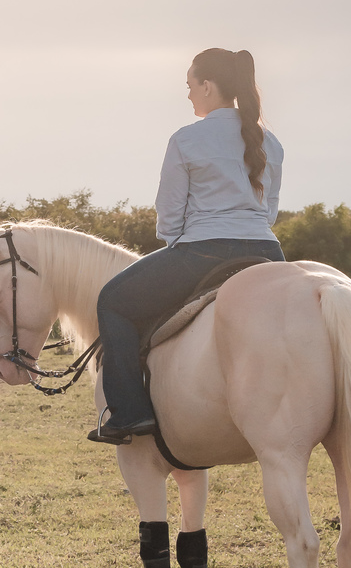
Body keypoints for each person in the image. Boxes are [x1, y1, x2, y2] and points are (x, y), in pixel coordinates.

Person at [90, 46, 285, 444]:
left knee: (112, 302)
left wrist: (177, 248)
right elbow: (270, 212)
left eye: (190, 85)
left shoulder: (186, 140)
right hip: (268, 254)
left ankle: (129, 413)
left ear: (208, 86)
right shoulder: (272, 142)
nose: (188, 94)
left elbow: (170, 217)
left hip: (203, 251)